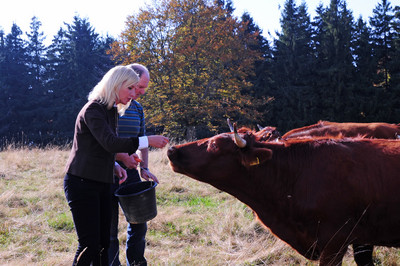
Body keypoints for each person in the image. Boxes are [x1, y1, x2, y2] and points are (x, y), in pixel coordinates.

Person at [63, 65, 169, 265]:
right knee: (89, 245)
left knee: (103, 243)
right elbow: (110, 142)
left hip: (101, 181)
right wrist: (146, 140)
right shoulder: (93, 109)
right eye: (130, 88)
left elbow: (102, 148)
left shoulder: (110, 111)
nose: (134, 93)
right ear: (115, 85)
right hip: (82, 183)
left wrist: (113, 164)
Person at [108, 64, 157, 266]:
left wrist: (143, 168)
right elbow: (102, 142)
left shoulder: (137, 108)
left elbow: (142, 140)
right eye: (140, 87)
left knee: (139, 223)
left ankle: (136, 263)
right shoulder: (107, 107)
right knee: (109, 227)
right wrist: (115, 162)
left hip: (131, 172)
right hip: (106, 172)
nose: (142, 92)